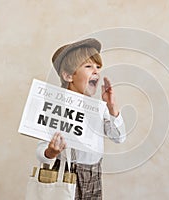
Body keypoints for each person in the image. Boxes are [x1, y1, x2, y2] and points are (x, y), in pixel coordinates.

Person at [36, 38, 126, 199]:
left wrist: (112, 107)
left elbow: (118, 137)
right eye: (88, 66)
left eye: (98, 67)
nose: (96, 71)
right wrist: (51, 152)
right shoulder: (56, 107)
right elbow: (41, 151)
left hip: (93, 175)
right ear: (68, 76)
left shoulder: (98, 108)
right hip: (66, 173)